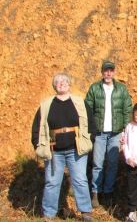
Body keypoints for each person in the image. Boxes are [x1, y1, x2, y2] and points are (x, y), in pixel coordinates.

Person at [31, 73, 95, 221]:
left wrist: (89, 138)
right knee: (52, 182)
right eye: (58, 82)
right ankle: (49, 214)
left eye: (64, 81)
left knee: (80, 179)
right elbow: (37, 127)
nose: (61, 83)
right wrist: (37, 144)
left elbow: (91, 122)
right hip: (54, 151)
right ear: (54, 86)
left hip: (76, 149)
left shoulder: (80, 102)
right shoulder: (46, 104)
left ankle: (86, 212)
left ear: (69, 84)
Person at [86, 60, 133, 207]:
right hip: (99, 133)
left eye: (111, 70)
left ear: (114, 72)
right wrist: (91, 129)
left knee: (112, 163)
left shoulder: (121, 89)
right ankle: (95, 192)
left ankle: (108, 192)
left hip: (115, 132)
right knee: (97, 163)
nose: (108, 73)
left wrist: (126, 128)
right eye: (106, 70)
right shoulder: (94, 89)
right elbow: (87, 109)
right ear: (102, 72)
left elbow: (127, 109)